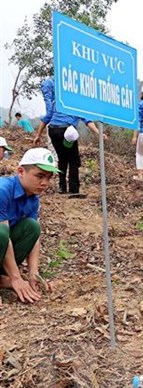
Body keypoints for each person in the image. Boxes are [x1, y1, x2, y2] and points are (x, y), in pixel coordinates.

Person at [0, 148, 59, 307]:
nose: (45, 183)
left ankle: (4, 278)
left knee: (32, 227)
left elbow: (33, 238)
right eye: (39, 176)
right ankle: (8, 279)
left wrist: (34, 273)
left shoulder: (33, 198)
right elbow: (3, 236)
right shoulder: (3, 190)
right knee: (1, 232)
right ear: (21, 171)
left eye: (48, 178)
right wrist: (16, 278)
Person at [34, 77, 106, 198]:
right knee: (73, 160)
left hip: (53, 130)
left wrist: (38, 135)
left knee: (62, 159)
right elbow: (87, 121)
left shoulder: (58, 100)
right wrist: (98, 133)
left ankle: (62, 188)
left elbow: (46, 118)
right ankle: (74, 190)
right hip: (67, 131)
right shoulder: (76, 102)